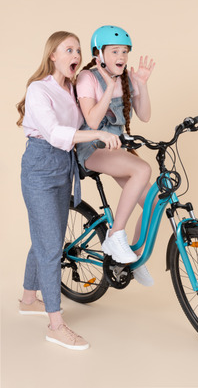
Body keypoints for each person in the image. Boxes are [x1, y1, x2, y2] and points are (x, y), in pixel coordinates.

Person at [17, 31, 121, 350]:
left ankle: (28, 298)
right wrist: (96, 134)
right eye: (68, 49)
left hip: (64, 165)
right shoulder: (39, 89)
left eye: (78, 49)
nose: (75, 54)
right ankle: (56, 324)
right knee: (50, 246)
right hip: (40, 164)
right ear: (53, 55)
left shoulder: (73, 90)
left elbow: (88, 120)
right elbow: (53, 132)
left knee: (49, 236)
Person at [76, 25, 155, 286]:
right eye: (114, 51)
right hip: (92, 148)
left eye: (124, 51)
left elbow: (144, 115)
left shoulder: (127, 78)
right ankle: (115, 235)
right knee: (143, 170)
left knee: (154, 203)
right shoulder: (87, 78)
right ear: (99, 54)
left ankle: (133, 258)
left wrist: (141, 85)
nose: (121, 56)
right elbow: (93, 121)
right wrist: (109, 87)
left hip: (116, 149)